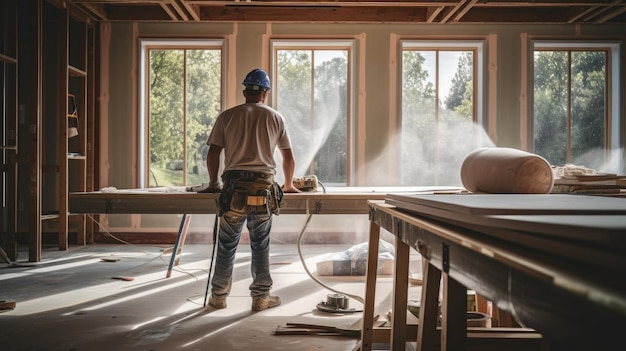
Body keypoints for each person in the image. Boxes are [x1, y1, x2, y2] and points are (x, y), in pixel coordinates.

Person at [204, 68, 300, 311]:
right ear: (265, 93)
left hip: (234, 187)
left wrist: (214, 183)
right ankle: (260, 298)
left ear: (245, 90)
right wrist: (288, 185)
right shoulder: (275, 117)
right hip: (263, 189)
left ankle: (218, 297)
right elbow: (287, 156)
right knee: (260, 244)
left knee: (226, 244)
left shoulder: (227, 116)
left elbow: (213, 152)